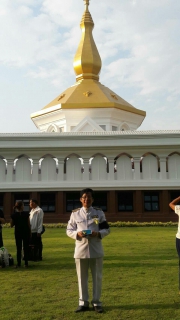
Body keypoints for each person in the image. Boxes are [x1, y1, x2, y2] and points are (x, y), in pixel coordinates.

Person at [66, 188, 110, 313]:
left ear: (93, 199)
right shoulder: (75, 214)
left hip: (95, 248)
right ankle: (83, 302)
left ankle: (97, 302)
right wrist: (77, 234)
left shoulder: (99, 213)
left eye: (89, 197)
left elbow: (107, 229)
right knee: (81, 278)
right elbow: (69, 230)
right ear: (81, 200)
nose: (87, 199)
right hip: (81, 249)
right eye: (84, 197)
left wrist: (98, 233)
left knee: (97, 277)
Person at [10, 201, 31, 268]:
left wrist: (13, 218)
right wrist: (30, 232)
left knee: (18, 248)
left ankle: (18, 263)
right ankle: (26, 263)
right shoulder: (26, 214)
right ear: (22, 206)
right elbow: (28, 224)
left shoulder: (14, 215)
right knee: (26, 247)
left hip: (18, 232)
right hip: (25, 232)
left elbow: (11, 225)